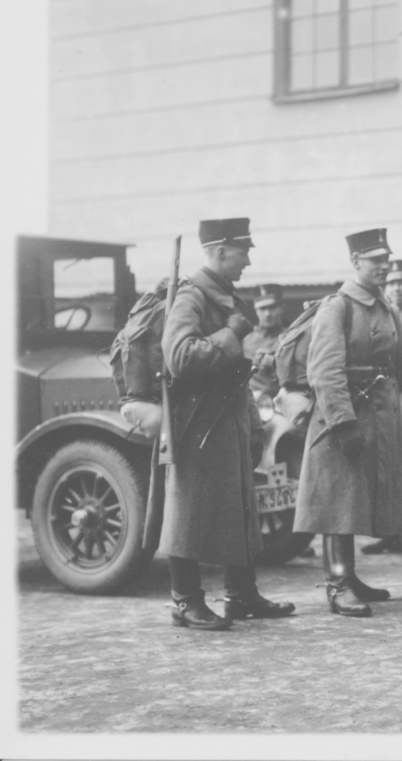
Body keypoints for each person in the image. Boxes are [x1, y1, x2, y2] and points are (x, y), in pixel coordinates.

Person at [293, 229, 402, 617]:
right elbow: (325, 372)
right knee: (338, 502)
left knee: (355, 500)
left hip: (377, 420)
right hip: (340, 421)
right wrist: (343, 424)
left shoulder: (386, 308)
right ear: (355, 262)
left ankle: (348, 576)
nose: (383, 267)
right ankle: (337, 585)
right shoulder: (337, 307)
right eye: (374, 260)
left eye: (386, 259)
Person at [158, 217, 294, 629]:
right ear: (219, 251)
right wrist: (231, 334)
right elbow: (179, 357)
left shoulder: (222, 297)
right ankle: (184, 601)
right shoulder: (192, 297)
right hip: (197, 423)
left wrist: (252, 421)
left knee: (241, 503)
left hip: (228, 414)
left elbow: (234, 368)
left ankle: (241, 594)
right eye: (243, 251)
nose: (248, 261)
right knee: (188, 510)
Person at [362, 259, 402, 555]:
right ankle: (391, 535)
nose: (396, 288)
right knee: (387, 470)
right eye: (391, 283)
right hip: (386, 400)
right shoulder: (381, 314)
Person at [243, 284, 285, 398]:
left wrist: (276, 363)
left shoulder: (290, 338)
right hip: (252, 400)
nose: (267, 314)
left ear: (281, 307)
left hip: (280, 400)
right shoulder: (246, 340)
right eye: (262, 309)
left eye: (272, 308)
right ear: (256, 311)